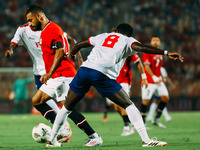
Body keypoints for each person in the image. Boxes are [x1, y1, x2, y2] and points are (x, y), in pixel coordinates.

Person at [47, 23, 183, 147]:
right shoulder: (128, 40)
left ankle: (52, 140)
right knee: (128, 104)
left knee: (66, 107)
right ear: (130, 35)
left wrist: (72, 54)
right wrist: (166, 52)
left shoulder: (104, 36)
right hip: (101, 74)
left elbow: (80, 44)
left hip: (84, 71)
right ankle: (146, 140)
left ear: (117, 30)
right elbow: (141, 48)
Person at [5, 4, 101, 145]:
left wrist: (49, 73)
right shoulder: (45, 31)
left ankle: (93, 136)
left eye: (31, 20)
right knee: (37, 101)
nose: (30, 24)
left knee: (66, 108)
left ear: (39, 16)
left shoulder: (52, 30)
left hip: (62, 74)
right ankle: (58, 134)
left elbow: (60, 52)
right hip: (56, 75)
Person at [103, 53, 148, 137]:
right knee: (116, 107)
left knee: (124, 104)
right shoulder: (111, 49)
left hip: (125, 81)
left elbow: (138, 61)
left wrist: (144, 76)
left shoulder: (128, 48)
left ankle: (127, 128)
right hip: (113, 80)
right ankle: (133, 122)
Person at [140, 36, 172, 128]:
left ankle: (156, 119)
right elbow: (146, 66)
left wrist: (161, 77)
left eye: (157, 40)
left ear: (160, 42)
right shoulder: (147, 52)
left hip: (158, 81)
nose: (155, 42)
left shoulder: (160, 52)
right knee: (145, 101)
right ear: (150, 42)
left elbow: (159, 67)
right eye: (153, 40)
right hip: (149, 81)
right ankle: (143, 123)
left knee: (165, 98)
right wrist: (153, 77)